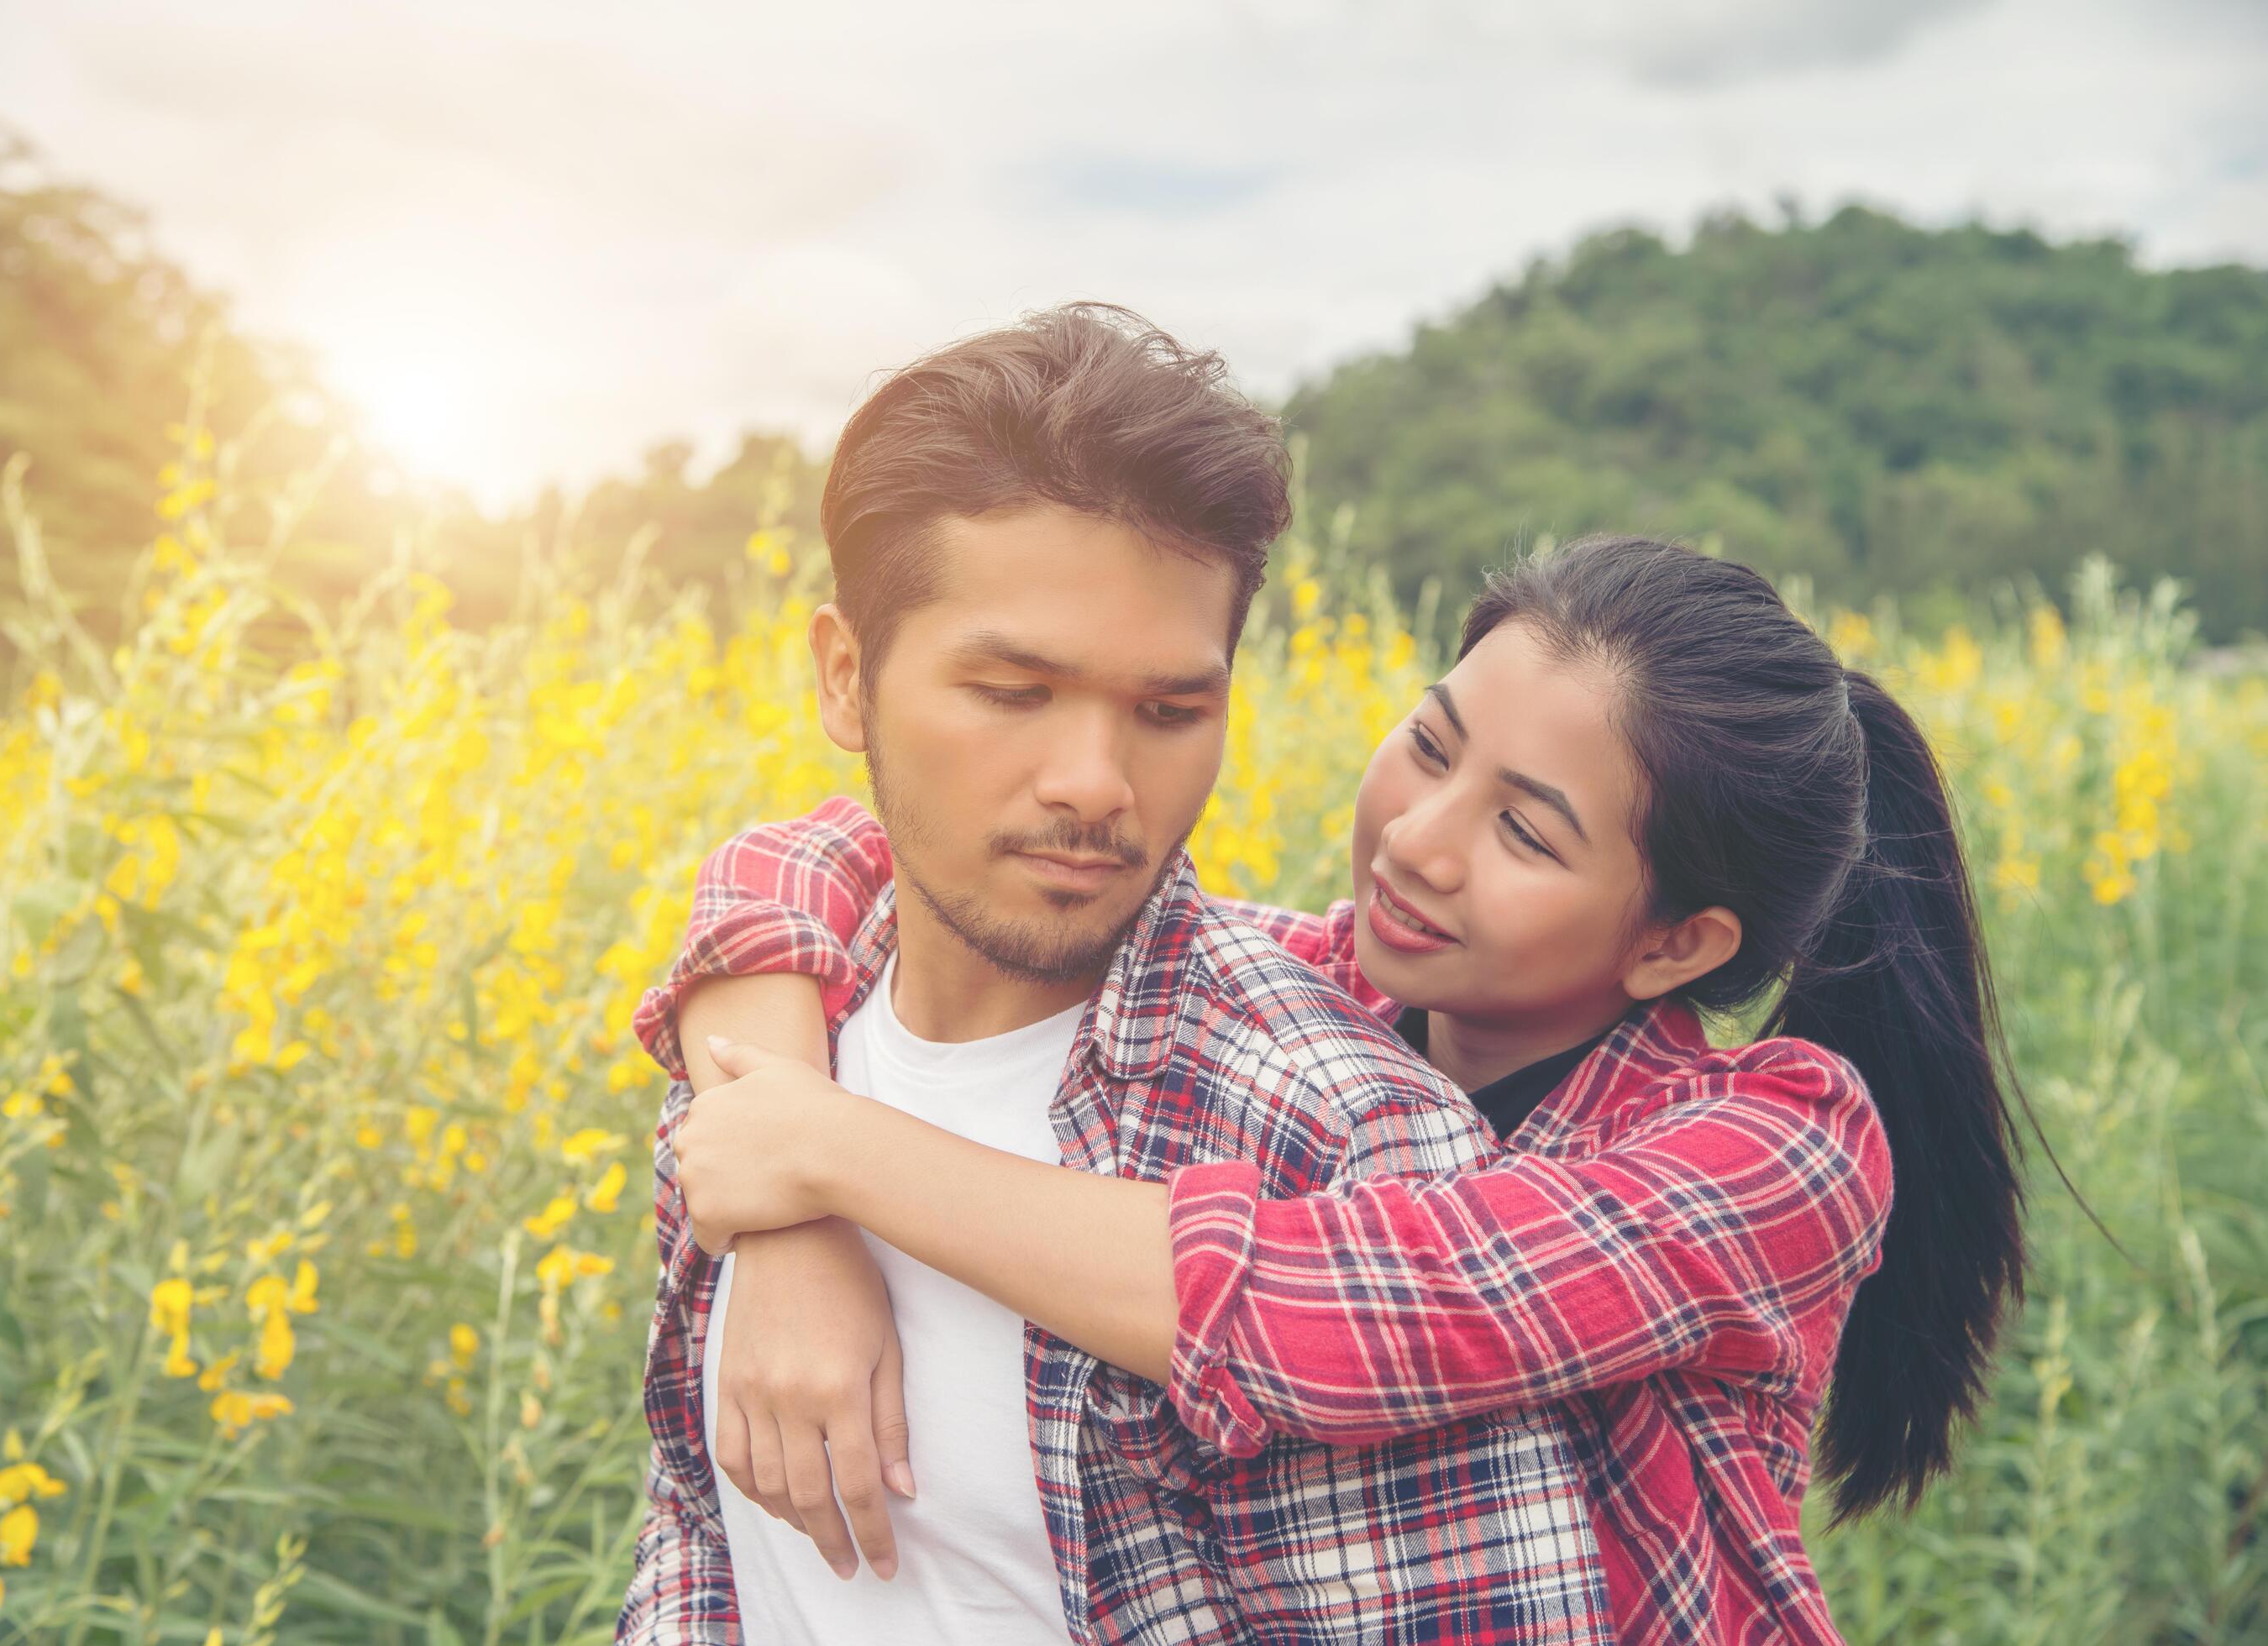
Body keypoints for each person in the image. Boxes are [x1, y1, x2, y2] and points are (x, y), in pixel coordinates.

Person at [648, 533, 2034, 1642]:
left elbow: (1341, 1309)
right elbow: (818, 856)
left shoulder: (1773, 1147)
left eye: (1523, 831)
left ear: (1676, 941)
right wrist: (788, 1235)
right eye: (1431, 747)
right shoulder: (1323, 984)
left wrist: (829, 1151)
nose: (1419, 842)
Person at [614, 303, 1613, 1646]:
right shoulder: (765, 1037)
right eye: (1013, 692)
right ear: (845, 680)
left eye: (1167, 711)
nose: (1093, 785)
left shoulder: (1338, 1143)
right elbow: (702, 1522)